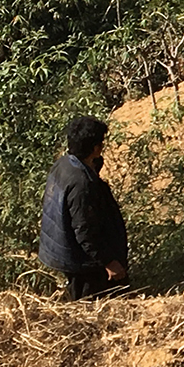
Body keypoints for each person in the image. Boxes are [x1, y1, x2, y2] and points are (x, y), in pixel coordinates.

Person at [38, 116, 129, 299]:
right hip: (81, 261)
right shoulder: (82, 184)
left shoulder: (63, 164)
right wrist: (109, 262)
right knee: (94, 303)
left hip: (63, 249)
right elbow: (85, 231)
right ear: (95, 148)